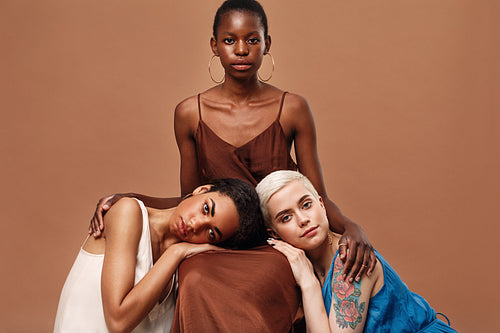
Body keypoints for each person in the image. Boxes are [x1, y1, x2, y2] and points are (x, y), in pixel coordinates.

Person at [89, 0, 376, 331]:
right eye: (230, 40)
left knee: (265, 279)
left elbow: (317, 193)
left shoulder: (292, 108)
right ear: (215, 45)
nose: (242, 50)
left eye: (253, 40)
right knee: (194, 278)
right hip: (218, 241)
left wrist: (354, 227)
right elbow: (192, 200)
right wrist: (131, 199)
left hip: (273, 244)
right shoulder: (189, 113)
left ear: (267, 44)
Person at [54, 178, 265, 333]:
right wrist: (176, 251)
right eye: (206, 208)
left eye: (211, 233)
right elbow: (118, 322)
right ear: (201, 190)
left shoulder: (189, 264)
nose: (196, 224)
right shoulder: (128, 212)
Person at [256, 170, 457, 333]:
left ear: (321, 204)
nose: (302, 219)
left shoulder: (349, 258)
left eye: (306, 205)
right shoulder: (298, 264)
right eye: (286, 218)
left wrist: (309, 284)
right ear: (274, 234)